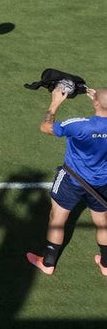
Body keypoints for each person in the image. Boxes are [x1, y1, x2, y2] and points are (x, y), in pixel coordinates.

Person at [27, 84, 107, 276]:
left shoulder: (79, 125)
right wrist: (100, 101)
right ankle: (106, 264)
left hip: (72, 180)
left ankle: (48, 262)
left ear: (96, 103)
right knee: (103, 222)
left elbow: (45, 127)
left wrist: (54, 104)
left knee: (57, 219)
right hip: (103, 182)